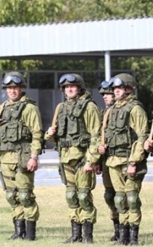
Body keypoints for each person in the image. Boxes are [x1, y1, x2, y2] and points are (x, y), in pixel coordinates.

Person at [0, 72, 42, 241]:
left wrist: (34, 157)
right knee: (11, 195)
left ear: (21, 88)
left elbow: (37, 134)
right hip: (5, 158)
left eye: (15, 88)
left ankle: (30, 233)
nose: (12, 91)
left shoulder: (29, 108)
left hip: (22, 157)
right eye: (9, 88)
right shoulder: (2, 108)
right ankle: (19, 231)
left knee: (25, 195)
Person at [45, 73, 101, 244]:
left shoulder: (89, 107)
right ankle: (75, 234)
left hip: (82, 159)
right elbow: (53, 136)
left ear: (79, 88)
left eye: (73, 86)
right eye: (66, 87)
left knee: (83, 196)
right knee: (71, 195)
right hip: (65, 158)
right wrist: (50, 134)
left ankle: (87, 236)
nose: (69, 89)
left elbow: (96, 135)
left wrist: (91, 160)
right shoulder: (61, 108)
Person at [99, 73, 148, 245]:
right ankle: (123, 237)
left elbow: (142, 137)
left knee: (132, 200)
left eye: (119, 88)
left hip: (130, 161)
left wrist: (134, 162)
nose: (116, 91)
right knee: (119, 200)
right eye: (115, 89)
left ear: (128, 88)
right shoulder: (112, 110)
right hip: (113, 161)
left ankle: (133, 238)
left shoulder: (135, 109)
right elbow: (104, 134)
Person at [96, 81, 120, 242]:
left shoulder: (126, 111)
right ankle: (117, 229)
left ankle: (127, 232)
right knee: (109, 195)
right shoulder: (103, 113)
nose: (105, 96)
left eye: (108, 93)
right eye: (103, 94)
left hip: (121, 160)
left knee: (123, 197)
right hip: (106, 161)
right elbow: (99, 137)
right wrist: (98, 159)